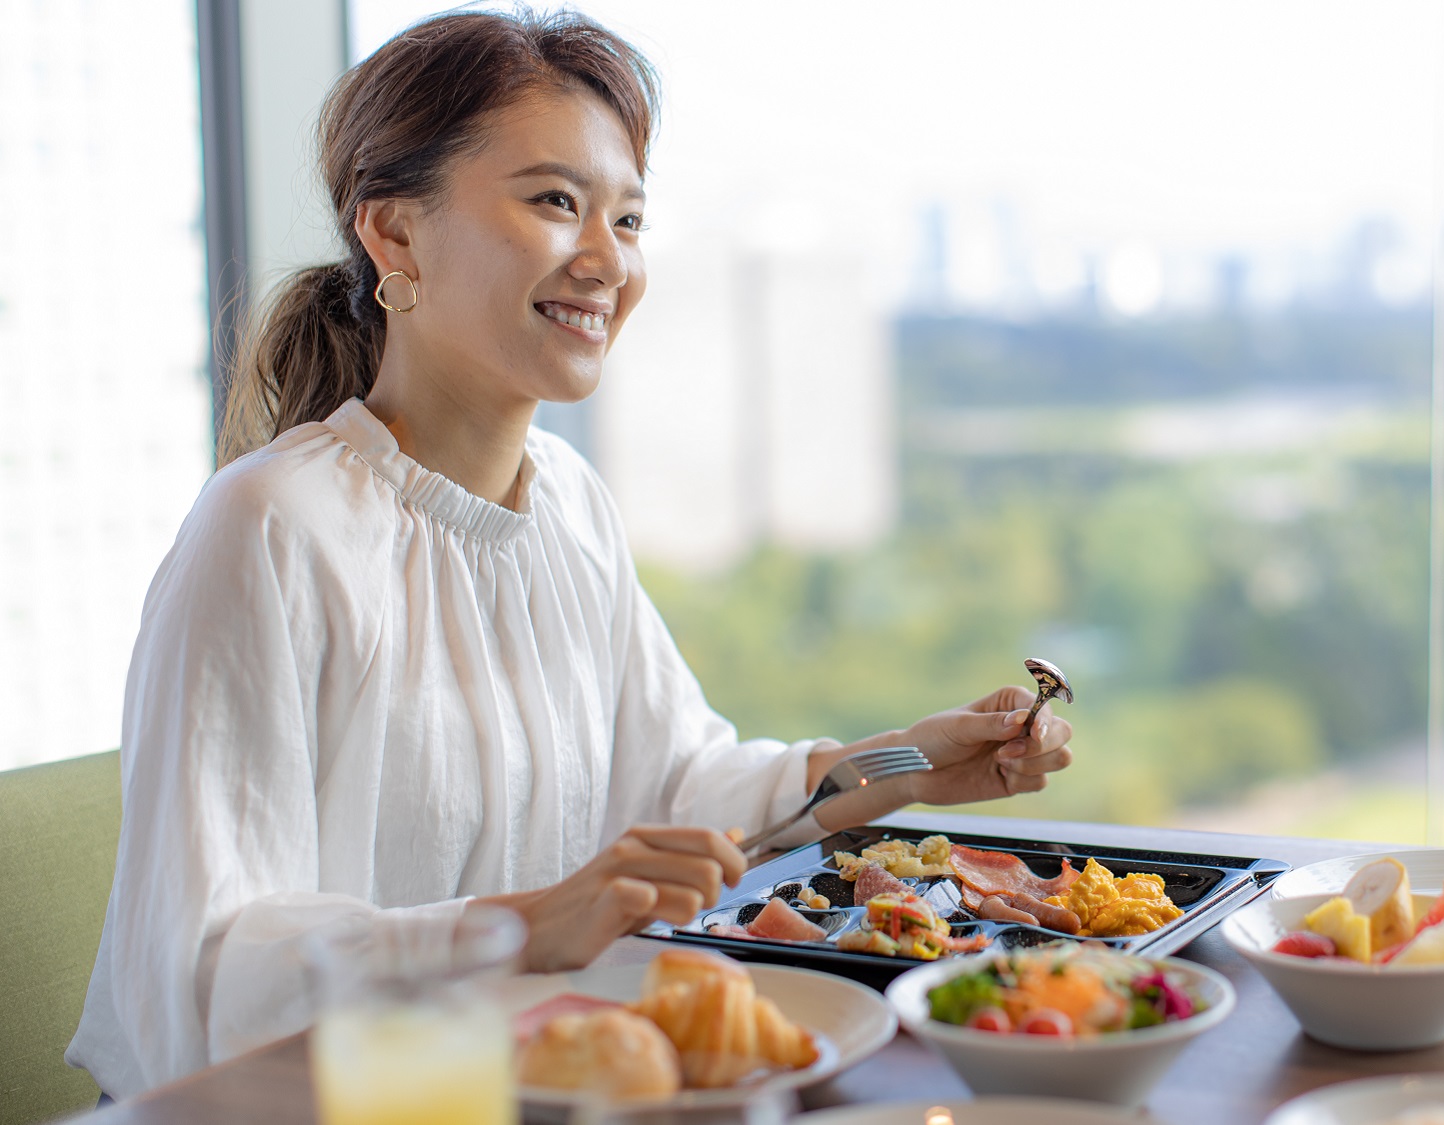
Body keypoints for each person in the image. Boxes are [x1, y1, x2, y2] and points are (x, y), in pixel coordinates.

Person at [68, 10, 1075, 1099]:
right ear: (394, 237)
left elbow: (673, 787)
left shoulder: (570, 509)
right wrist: (527, 923)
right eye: (556, 202)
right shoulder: (268, 527)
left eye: (629, 218)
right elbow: (205, 967)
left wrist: (902, 768)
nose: (607, 262)